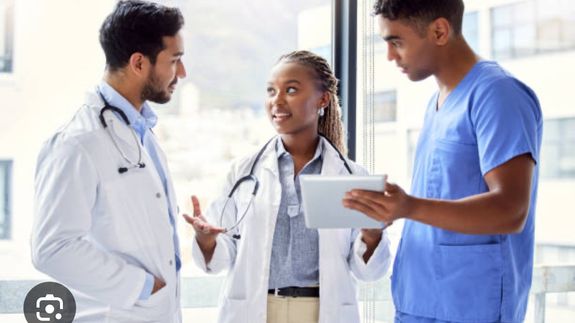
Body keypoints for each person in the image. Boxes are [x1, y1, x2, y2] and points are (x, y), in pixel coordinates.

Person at [343, 0, 543, 322]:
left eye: (396, 41)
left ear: (439, 31)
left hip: (471, 306)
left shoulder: (498, 94)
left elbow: (511, 210)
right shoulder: (436, 103)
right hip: (417, 300)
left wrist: (408, 206)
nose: (390, 56)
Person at [184, 50, 391, 323]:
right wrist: (206, 239)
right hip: (258, 310)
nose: (277, 101)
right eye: (271, 91)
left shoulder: (352, 176)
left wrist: (373, 235)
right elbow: (221, 259)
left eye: (291, 90)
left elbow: (368, 273)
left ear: (323, 99)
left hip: (321, 312)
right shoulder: (242, 172)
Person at [31, 1, 186, 322]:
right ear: (139, 63)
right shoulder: (77, 141)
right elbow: (52, 248)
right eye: (175, 61)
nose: (181, 73)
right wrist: (143, 286)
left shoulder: (141, 131)